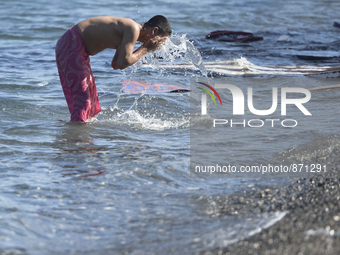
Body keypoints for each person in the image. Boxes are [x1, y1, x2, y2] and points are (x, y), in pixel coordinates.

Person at [55, 15, 172, 122]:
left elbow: (116, 64)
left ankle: (85, 134)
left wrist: (143, 48)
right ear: (154, 31)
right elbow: (123, 63)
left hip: (77, 48)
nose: (159, 45)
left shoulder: (130, 34)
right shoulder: (133, 28)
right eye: (161, 39)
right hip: (72, 43)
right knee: (83, 97)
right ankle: (77, 138)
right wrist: (146, 48)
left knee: (91, 98)